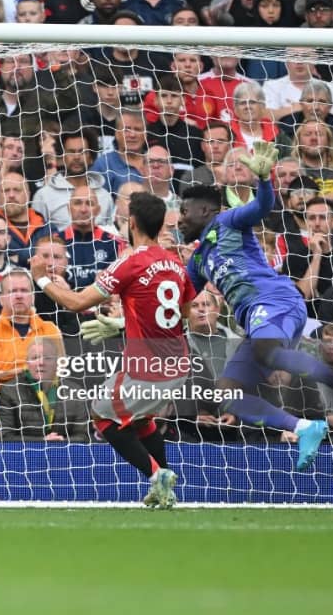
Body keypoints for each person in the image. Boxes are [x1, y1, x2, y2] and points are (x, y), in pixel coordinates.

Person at [177, 142, 333, 472]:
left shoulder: (228, 221)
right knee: (227, 394)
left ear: (204, 211)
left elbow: (262, 206)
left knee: (265, 352)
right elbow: (180, 300)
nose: (179, 219)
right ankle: (304, 427)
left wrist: (264, 179)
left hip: (276, 302)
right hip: (258, 322)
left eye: (183, 212)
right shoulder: (198, 259)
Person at [30, 192, 192, 508]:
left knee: (102, 416)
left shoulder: (129, 262)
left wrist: (41, 280)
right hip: (179, 363)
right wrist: (123, 323)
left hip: (147, 366)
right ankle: (164, 482)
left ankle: (157, 475)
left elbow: (77, 303)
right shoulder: (175, 263)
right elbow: (182, 313)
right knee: (138, 419)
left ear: (132, 223)